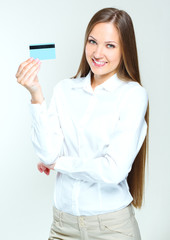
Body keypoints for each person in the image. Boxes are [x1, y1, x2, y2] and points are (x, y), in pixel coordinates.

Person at [16, 7, 149, 240]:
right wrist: (36, 94)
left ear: (125, 48)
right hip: (62, 226)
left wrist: (60, 163)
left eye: (110, 45)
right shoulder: (64, 89)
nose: (98, 53)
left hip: (111, 229)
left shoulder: (133, 95)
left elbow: (113, 170)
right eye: (92, 41)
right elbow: (48, 154)